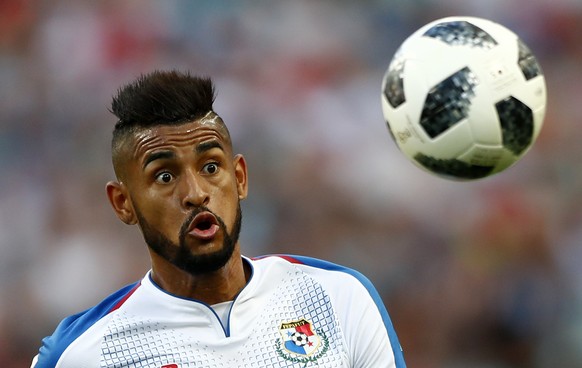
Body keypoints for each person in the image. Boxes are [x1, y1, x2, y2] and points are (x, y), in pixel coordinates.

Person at [31, 70, 406, 367]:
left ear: (239, 177)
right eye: (165, 176)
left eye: (211, 166)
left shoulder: (337, 297)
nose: (195, 193)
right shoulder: (84, 353)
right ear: (123, 203)